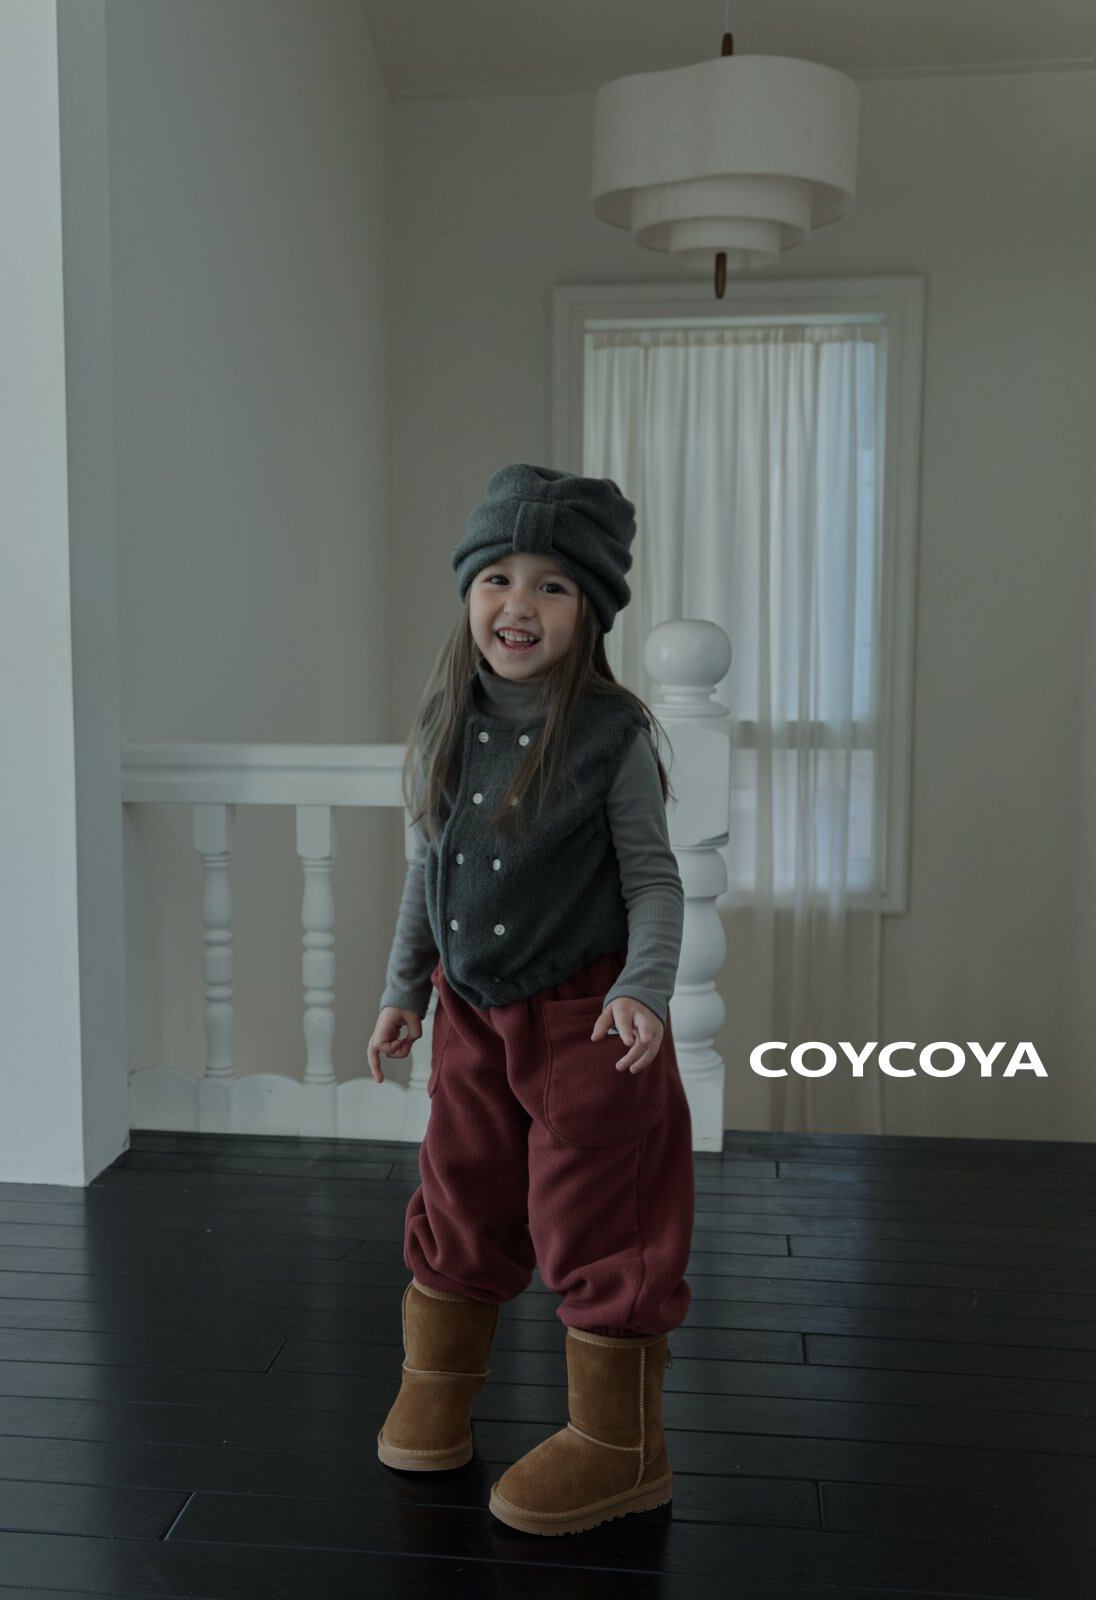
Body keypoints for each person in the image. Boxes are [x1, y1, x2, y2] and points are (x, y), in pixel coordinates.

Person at [365, 463, 693, 1536]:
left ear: (589, 609)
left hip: (584, 1022)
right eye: (497, 578)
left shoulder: (611, 735)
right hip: (469, 1014)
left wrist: (644, 990)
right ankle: (437, 1385)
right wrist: (403, 990)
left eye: (552, 585)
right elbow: (427, 873)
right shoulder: (444, 724)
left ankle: (619, 1444)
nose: (518, 604)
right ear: (468, 592)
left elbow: (653, 881)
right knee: (460, 1192)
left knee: (596, 1216)